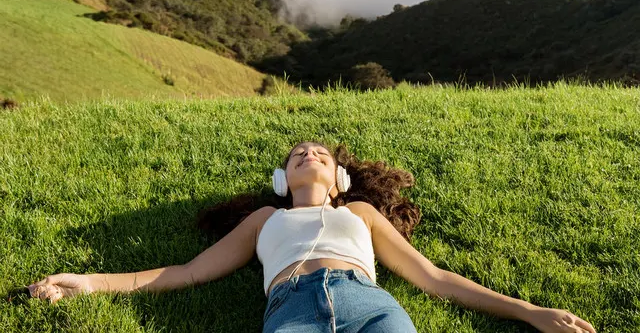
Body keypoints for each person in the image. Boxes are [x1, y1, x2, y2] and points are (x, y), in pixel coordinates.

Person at [28, 141, 597, 333]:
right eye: (299, 154)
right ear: (282, 180)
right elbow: (186, 273)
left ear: (338, 178)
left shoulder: (364, 214)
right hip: (291, 307)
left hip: (370, 304)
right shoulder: (263, 222)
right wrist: (90, 283)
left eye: (320, 153)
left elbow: (434, 278)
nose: (309, 154)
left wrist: (532, 312)